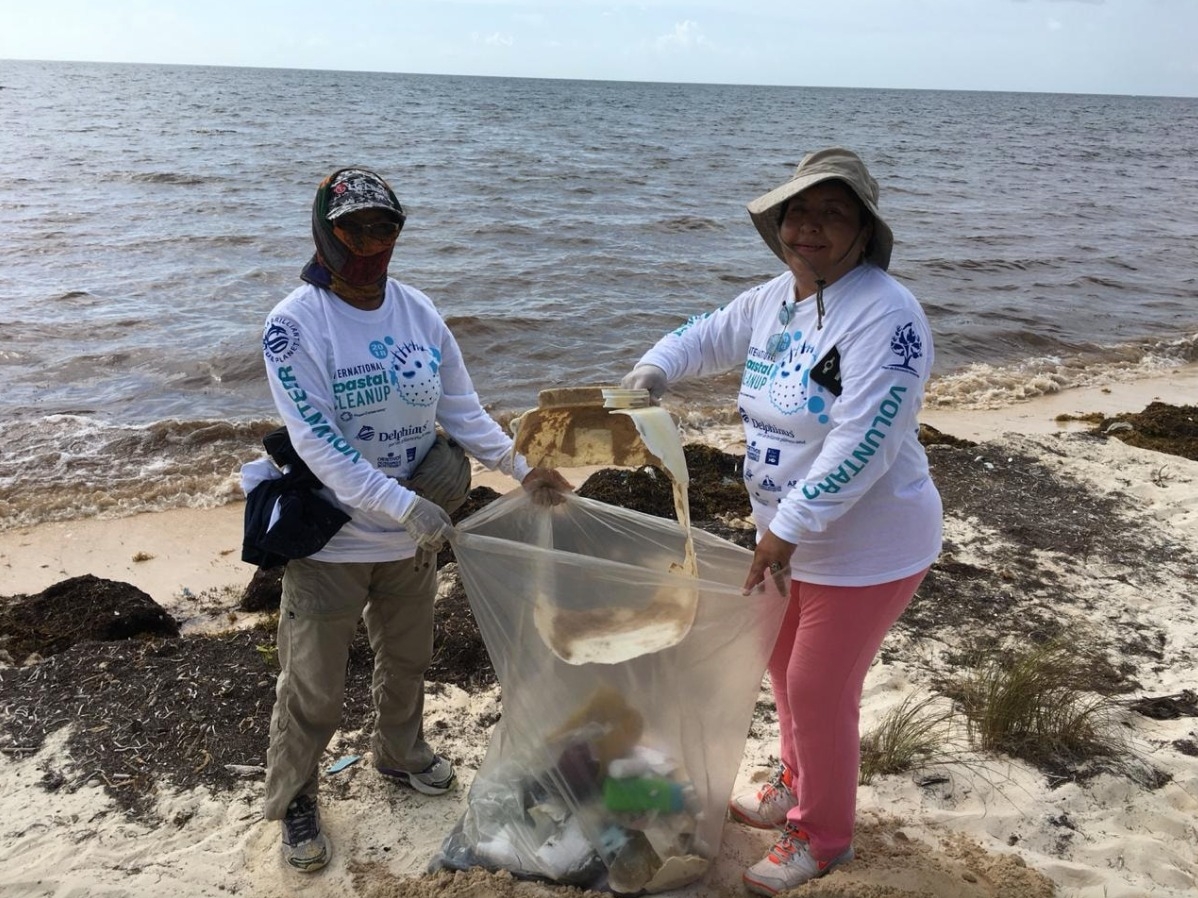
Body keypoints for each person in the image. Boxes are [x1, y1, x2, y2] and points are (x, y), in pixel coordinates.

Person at [621, 147, 941, 895]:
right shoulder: (774, 300)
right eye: (799, 211)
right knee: (782, 672)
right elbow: (703, 335)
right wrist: (650, 372)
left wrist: (786, 529)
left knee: (819, 687)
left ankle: (823, 836)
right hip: (788, 539)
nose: (810, 227)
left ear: (864, 230)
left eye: (834, 214)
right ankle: (795, 783)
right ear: (778, 224)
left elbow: (865, 440)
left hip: (867, 546)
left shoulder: (888, 317)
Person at [259, 167, 571, 873]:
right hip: (333, 539)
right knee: (311, 684)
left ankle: (399, 754)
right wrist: (405, 504)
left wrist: (526, 470)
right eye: (354, 228)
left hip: (411, 543)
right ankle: (297, 798)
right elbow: (318, 444)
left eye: (385, 228)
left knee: (408, 658)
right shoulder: (293, 325)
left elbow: (462, 411)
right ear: (323, 232)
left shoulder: (419, 313)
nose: (371, 244)